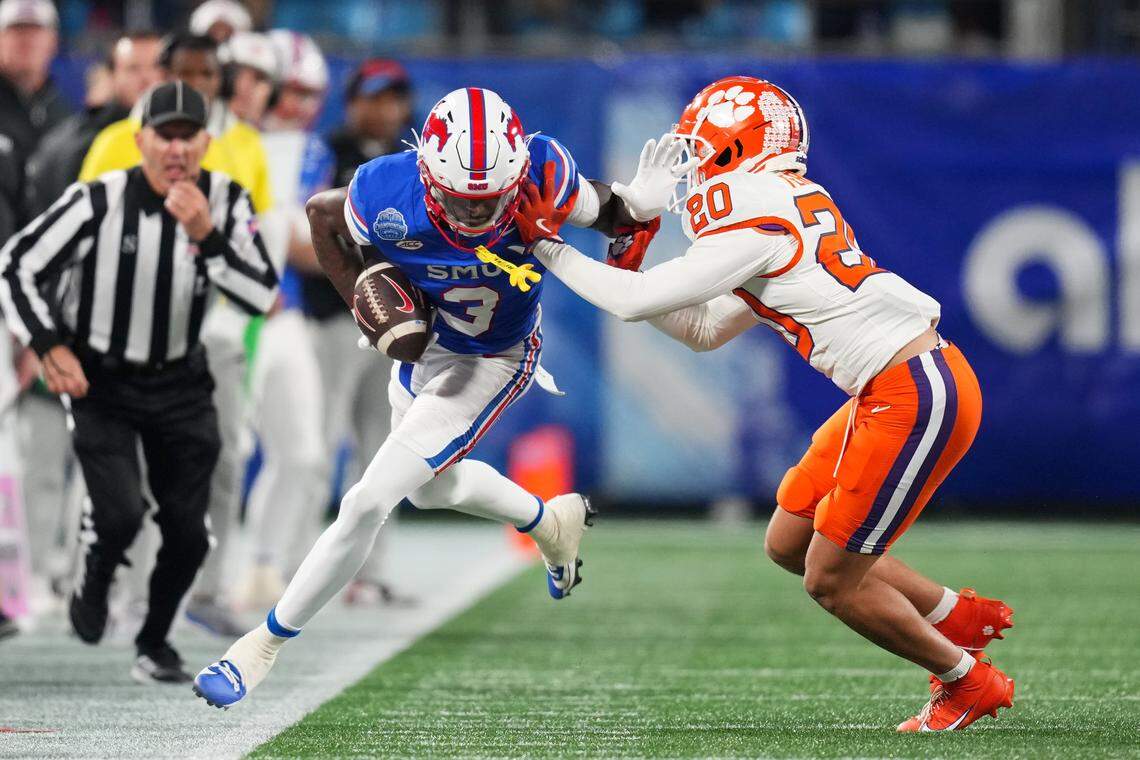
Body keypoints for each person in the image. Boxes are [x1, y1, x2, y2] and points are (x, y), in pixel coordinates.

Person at [513, 76, 1016, 733]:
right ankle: (954, 614)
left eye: (702, 148)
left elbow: (635, 305)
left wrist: (547, 245)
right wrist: (631, 271)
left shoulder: (748, 205)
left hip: (911, 391)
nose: (694, 168)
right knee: (789, 538)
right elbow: (703, 329)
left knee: (829, 581)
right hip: (890, 386)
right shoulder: (781, 197)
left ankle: (966, 680)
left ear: (733, 146)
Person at [194, 85, 659, 708]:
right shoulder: (387, 189)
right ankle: (550, 523)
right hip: (428, 347)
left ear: (516, 172)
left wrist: (634, 207)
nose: (474, 217)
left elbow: (611, 214)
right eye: (461, 202)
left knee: (366, 500)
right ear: (427, 173)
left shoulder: (544, 171)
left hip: (494, 356)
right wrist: (362, 294)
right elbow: (324, 217)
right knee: (429, 488)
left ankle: (260, 647)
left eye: (488, 200)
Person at [0, 82, 278, 683]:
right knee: (122, 513)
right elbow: (17, 264)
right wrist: (48, 345)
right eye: (165, 134)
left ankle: (155, 643)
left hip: (181, 380)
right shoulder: (97, 199)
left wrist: (207, 235)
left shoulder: (225, 200)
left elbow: (260, 294)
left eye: (188, 135)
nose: (176, 148)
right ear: (139, 140)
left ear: (207, 141)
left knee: (188, 533)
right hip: (103, 381)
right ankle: (96, 568)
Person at [78, 31, 275, 636]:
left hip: (215, 324)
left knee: (216, 458)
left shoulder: (244, 148)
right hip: (125, 327)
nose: (199, 82)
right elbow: (81, 235)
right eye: (185, 71)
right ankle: (118, 589)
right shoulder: (115, 142)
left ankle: (205, 589)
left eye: (209, 73)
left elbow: (256, 264)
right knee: (121, 472)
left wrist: (209, 240)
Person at [301, 58, 414, 606]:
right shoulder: (328, 153)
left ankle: (368, 574)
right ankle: (293, 566)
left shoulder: (413, 160)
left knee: (383, 453)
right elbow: (305, 240)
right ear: (351, 102)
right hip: (334, 321)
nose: (385, 107)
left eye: (394, 96)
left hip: (397, 328)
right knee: (317, 448)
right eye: (374, 96)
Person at [233, 30, 331, 610]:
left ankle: (263, 565)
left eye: (308, 92)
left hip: (283, 310)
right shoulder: (222, 138)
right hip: (223, 312)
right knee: (221, 452)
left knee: (305, 453)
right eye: (287, 89)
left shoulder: (310, 150)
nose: (295, 103)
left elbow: (309, 247)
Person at [26, 31, 163, 217]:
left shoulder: (195, 132)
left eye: (157, 66)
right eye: (133, 69)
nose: (147, 78)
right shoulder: (82, 142)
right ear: (112, 75)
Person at [0, 0, 71, 222]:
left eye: (36, 30)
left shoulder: (65, 114)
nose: (26, 41)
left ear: (54, 41)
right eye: (16, 30)